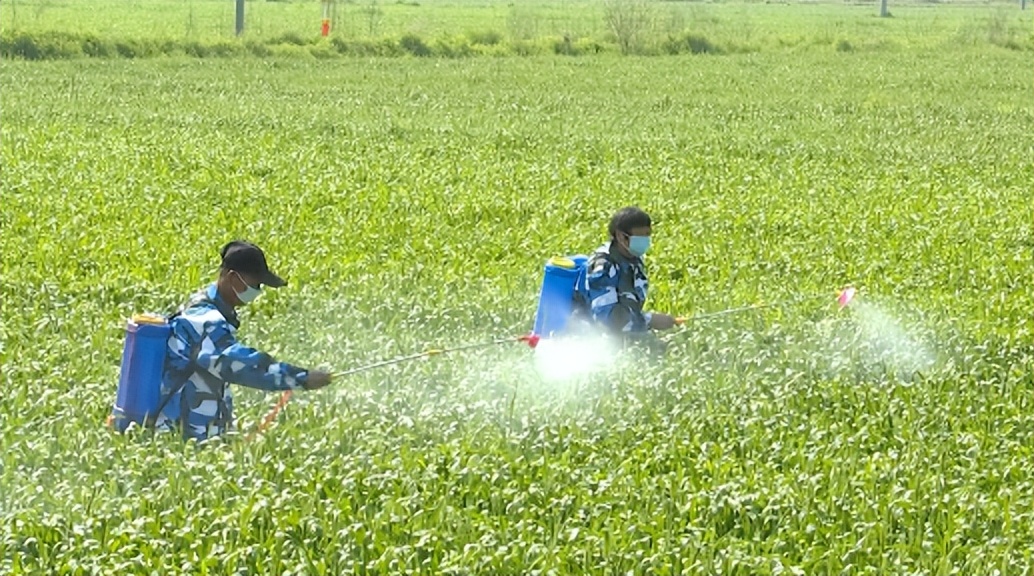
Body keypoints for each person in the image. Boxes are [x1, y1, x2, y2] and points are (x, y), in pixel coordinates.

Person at [153, 240, 333, 442]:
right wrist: (300, 377)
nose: (257, 291)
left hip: (201, 435)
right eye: (255, 284)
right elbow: (238, 364)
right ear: (232, 278)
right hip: (182, 438)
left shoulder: (210, 309)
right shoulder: (203, 320)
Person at [572, 206, 677, 354]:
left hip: (624, 334)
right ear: (621, 237)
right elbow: (608, 320)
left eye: (648, 235)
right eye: (641, 237)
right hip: (591, 336)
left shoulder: (634, 259)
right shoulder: (603, 266)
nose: (645, 242)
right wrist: (649, 320)